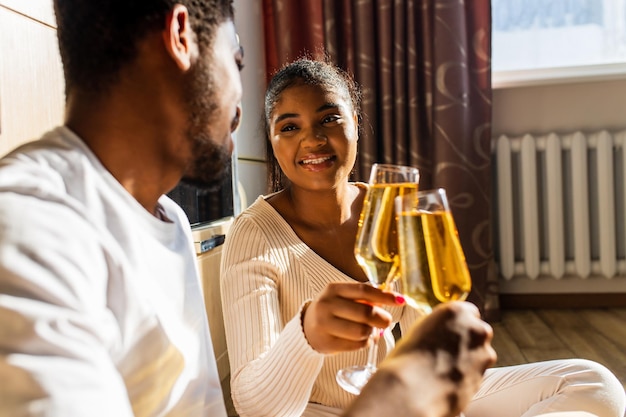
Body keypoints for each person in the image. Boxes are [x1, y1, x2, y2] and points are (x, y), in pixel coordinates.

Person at [0, 1, 497, 417]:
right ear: (181, 38)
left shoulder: (164, 220)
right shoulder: (28, 224)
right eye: (236, 62)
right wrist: (400, 396)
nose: (240, 105)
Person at [219, 58, 626, 417]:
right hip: (318, 413)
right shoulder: (253, 234)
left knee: (592, 383)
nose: (312, 139)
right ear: (273, 143)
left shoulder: (390, 210)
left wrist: (437, 359)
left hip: (402, 397)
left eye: (329, 118)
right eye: (289, 127)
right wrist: (306, 335)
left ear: (355, 124)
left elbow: (425, 341)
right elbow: (257, 408)